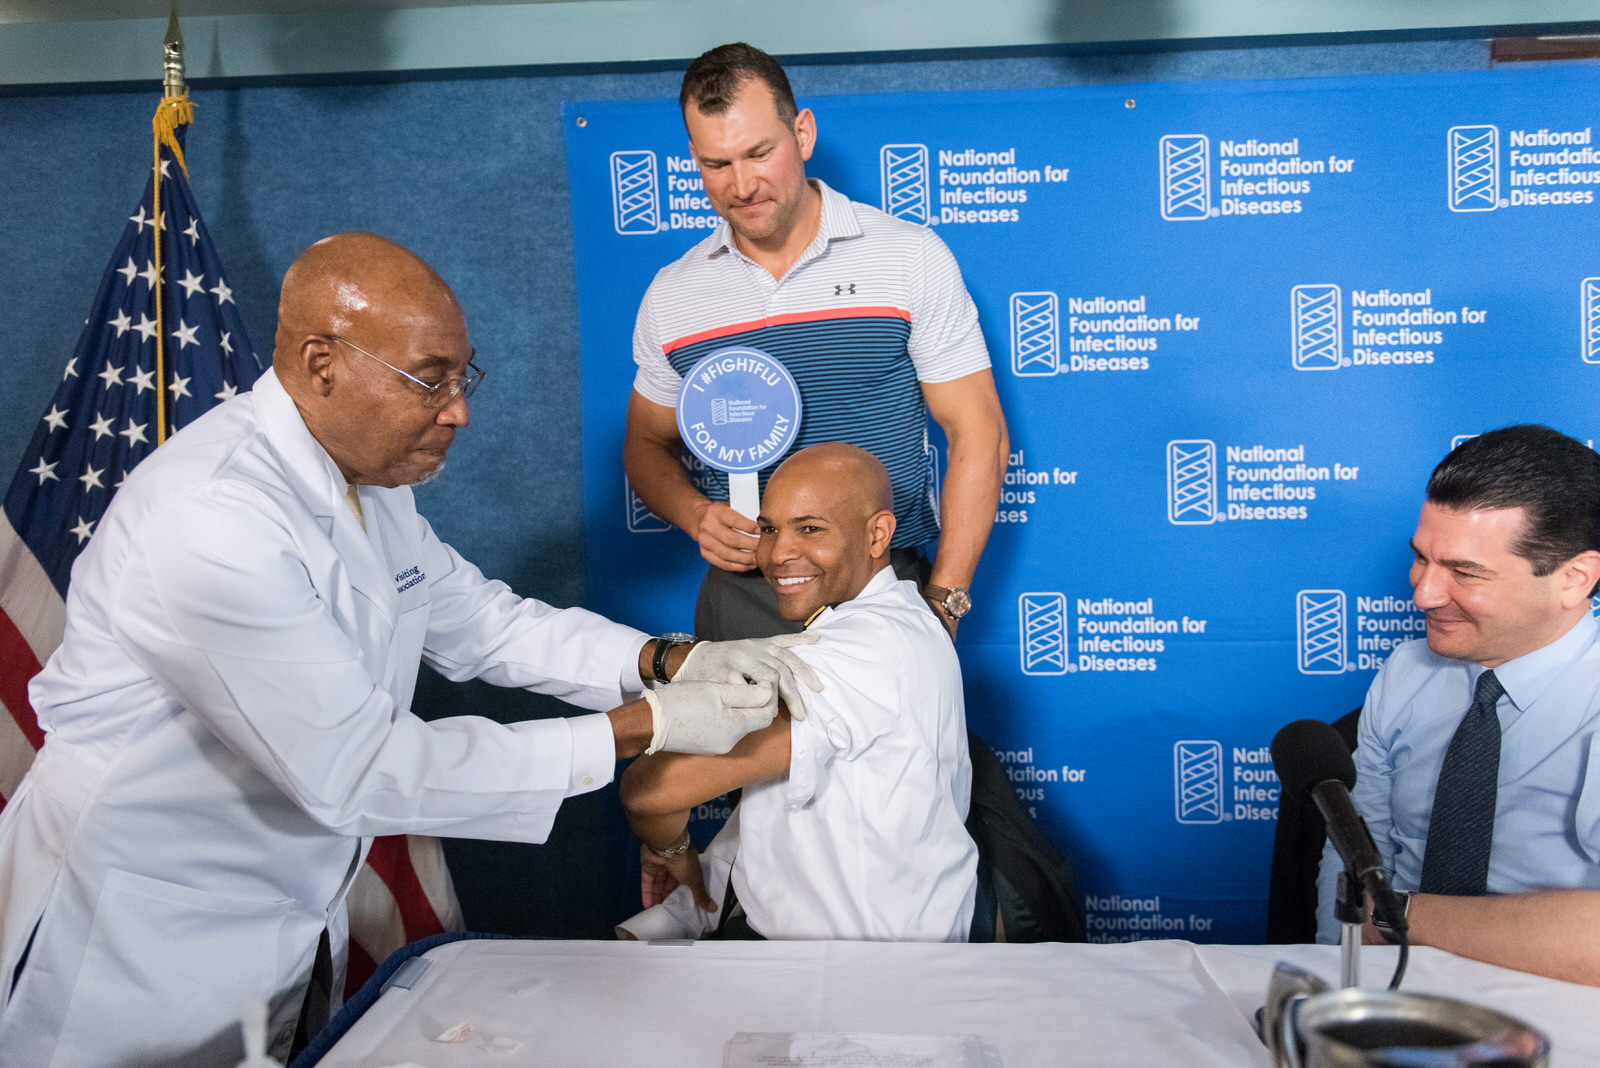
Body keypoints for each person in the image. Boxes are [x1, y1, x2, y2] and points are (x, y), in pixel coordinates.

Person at [0, 232, 820, 1067]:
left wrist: (669, 661)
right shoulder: (212, 518)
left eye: (464, 377)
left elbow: (480, 621)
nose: (458, 410)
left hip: (271, 919)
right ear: (321, 363)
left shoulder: (364, 477)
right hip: (130, 939)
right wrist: (648, 724)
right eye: (430, 380)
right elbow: (358, 767)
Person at [623, 42, 1007, 642]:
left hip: (884, 586)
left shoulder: (907, 256)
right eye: (717, 164)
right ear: (693, 158)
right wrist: (695, 514)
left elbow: (977, 432)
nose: (742, 184)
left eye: (759, 153)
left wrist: (945, 600)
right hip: (744, 592)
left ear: (802, 134)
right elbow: (645, 444)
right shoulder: (674, 293)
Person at [615, 443, 977, 941]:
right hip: (854, 958)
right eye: (768, 529)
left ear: (878, 534)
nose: (778, 553)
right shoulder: (903, 620)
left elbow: (652, 790)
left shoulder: (854, 651)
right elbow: (775, 800)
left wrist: (669, 848)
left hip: (856, 972)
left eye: (810, 529)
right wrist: (691, 902)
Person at [1315, 425, 1600, 983]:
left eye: (1465, 572)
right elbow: (1354, 856)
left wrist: (1401, 918)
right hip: (1393, 991)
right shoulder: (1407, 672)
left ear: (1574, 579)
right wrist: (1342, 983)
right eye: (1422, 558)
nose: (1423, 594)